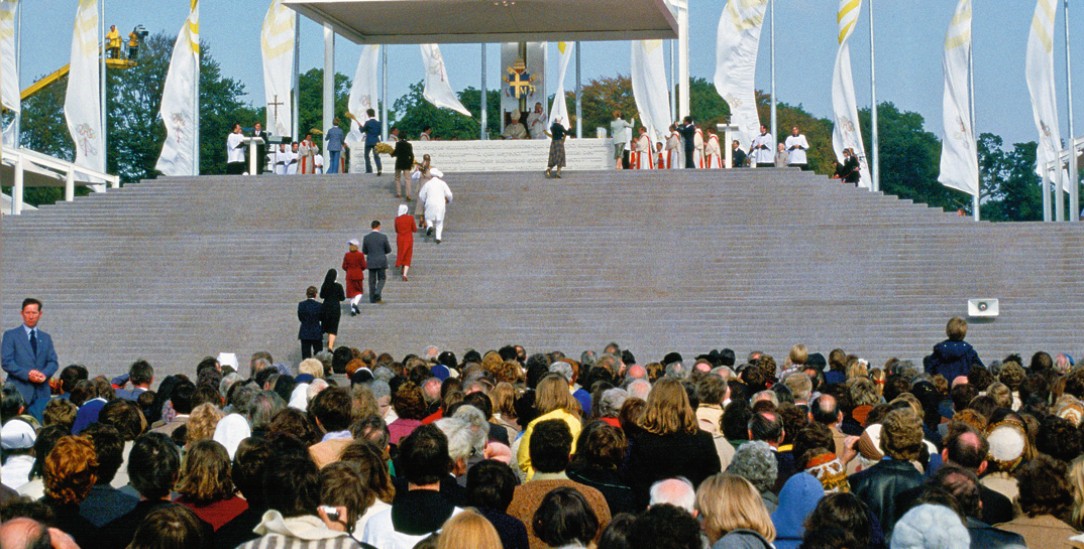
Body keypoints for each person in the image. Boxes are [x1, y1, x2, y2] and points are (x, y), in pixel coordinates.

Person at [627, 378, 721, 507]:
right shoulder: (703, 440)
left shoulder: (641, 441)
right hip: (692, 511)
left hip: (653, 511)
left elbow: (636, 484)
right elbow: (711, 482)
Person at [2, 298, 59, 421]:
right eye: (27, 313)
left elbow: (53, 362)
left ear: (40, 314)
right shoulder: (11, 335)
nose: (31, 316)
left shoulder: (46, 338)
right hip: (18, 392)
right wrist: (28, 374)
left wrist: (44, 374)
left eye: (34, 313)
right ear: (22, 313)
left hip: (42, 393)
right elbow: (6, 362)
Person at [923, 316, 983, 381]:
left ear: (948, 331)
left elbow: (928, 372)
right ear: (964, 332)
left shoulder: (939, 351)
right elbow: (982, 373)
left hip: (943, 389)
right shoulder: (969, 352)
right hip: (964, 388)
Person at [417, 169, 453, 243]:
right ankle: (438, 237)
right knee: (439, 221)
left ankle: (429, 226)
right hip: (440, 203)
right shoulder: (443, 183)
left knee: (428, 217)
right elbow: (449, 194)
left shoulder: (428, 183)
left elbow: (421, 195)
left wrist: (424, 200)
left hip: (430, 202)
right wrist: (449, 200)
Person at [362, 220, 392, 304]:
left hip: (371, 261)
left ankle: (372, 299)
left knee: (372, 281)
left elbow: (364, 251)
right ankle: (378, 292)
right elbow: (388, 249)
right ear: (379, 226)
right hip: (381, 260)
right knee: (382, 278)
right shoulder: (383, 237)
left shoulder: (366, 237)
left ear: (372, 227)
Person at [319, 269, 345, 350]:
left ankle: (319, 338)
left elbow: (321, 296)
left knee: (325, 323)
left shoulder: (325, 285)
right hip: (335, 308)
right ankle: (330, 346)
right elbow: (342, 298)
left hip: (326, 306)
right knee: (333, 327)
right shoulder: (339, 286)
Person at [342, 239, 367, 316]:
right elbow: (364, 266)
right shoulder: (360, 255)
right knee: (359, 292)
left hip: (350, 275)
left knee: (351, 293)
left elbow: (344, 266)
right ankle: (355, 305)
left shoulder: (347, 255)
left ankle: (353, 308)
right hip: (358, 275)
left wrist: (349, 269)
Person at [298, 286, 323, 359]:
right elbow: (321, 317)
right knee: (319, 354)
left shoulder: (301, 304)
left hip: (305, 331)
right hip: (316, 331)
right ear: (315, 295)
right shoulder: (319, 305)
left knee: (306, 355)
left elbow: (300, 317)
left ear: (307, 294)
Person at [390, 128, 415, 199]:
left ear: (399, 137)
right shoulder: (409, 145)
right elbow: (411, 155)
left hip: (399, 163)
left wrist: (391, 154)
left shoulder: (398, 144)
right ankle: (408, 194)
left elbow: (395, 153)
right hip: (406, 163)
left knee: (397, 178)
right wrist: (410, 164)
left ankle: (399, 193)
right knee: (407, 179)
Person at [395, 204, 416, 282]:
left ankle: (400, 264)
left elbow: (396, 229)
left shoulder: (397, 219)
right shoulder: (410, 218)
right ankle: (405, 274)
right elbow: (414, 229)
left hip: (400, 238)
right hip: (408, 238)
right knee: (408, 255)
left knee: (401, 252)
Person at [363, 108, 383, 175]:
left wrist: (360, 127)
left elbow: (362, 130)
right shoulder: (379, 123)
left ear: (368, 114)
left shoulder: (367, 123)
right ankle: (379, 168)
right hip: (376, 141)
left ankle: (369, 170)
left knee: (366, 155)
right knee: (376, 156)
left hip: (369, 141)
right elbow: (380, 133)